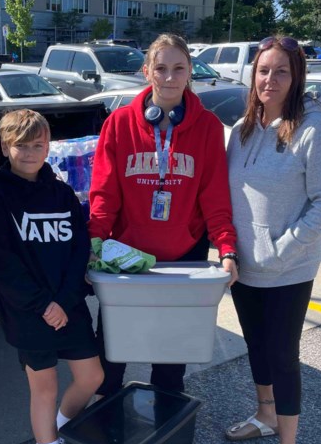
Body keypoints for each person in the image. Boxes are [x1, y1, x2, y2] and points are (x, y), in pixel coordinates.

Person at [224, 36, 321, 444]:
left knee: (283, 356)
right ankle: (264, 416)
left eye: (280, 72)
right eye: (263, 70)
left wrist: (282, 249)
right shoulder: (243, 129)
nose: (269, 80)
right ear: (251, 75)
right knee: (256, 346)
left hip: (288, 270)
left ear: (297, 77)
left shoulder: (315, 129)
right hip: (244, 267)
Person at [87, 33, 239, 398]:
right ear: (146, 72)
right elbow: (104, 194)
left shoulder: (207, 128)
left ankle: (166, 434)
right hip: (126, 258)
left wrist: (227, 249)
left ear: (190, 73)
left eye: (178, 68)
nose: (169, 77)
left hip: (183, 258)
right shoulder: (119, 124)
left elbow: (215, 197)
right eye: (161, 68)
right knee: (111, 358)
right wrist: (92, 244)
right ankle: (107, 433)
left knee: (171, 357)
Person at [0, 109, 104, 444]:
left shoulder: (62, 192)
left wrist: (65, 301)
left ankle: (57, 433)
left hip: (67, 306)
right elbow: (1, 262)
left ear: (48, 145)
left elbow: (78, 248)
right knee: (44, 388)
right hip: (28, 313)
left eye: (38, 144)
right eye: (21, 145)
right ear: (4, 147)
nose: (30, 152)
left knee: (92, 378)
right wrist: (41, 305)